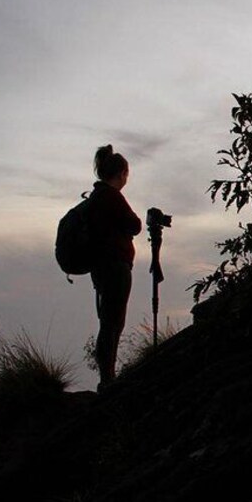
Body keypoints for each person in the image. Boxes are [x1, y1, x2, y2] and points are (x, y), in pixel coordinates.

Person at [88, 145, 141, 391]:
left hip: (101, 267)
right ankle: (108, 380)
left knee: (108, 321)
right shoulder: (111, 196)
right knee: (113, 322)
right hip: (115, 267)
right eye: (126, 174)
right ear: (121, 173)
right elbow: (135, 225)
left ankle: (106, 377)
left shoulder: (96, 197)